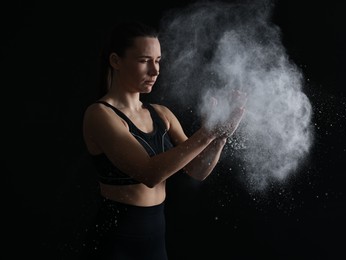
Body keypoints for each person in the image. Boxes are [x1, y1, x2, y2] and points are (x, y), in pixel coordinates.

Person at [80, 19, 246, 260]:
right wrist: (207, 132)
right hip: (114, 245)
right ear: (116, 61)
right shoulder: (99, 115)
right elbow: (150, 173)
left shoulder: (161, 114)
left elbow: (197, 169)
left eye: (157, 61)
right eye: (144, 61)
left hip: (155, 244)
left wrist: (220, 137)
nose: (155, 71)